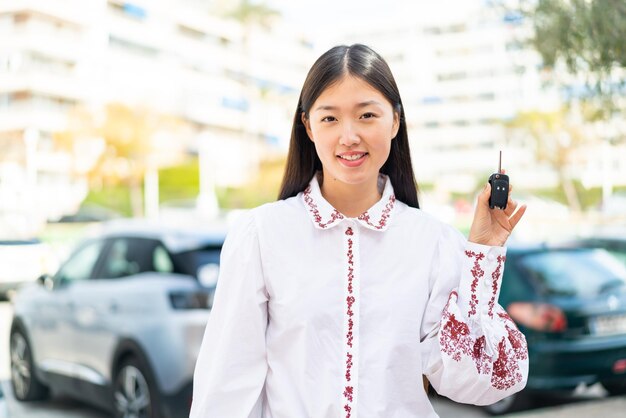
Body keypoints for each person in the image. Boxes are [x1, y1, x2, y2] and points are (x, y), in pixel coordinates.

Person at [190, 44, 528, 418]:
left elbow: (482, 383)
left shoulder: (434, 243)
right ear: (308, 126)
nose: (348, 136)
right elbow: (226, 387)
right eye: (330, 118)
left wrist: (482, 255)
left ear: (395, 121)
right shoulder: (260, 235)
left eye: (367, 115)